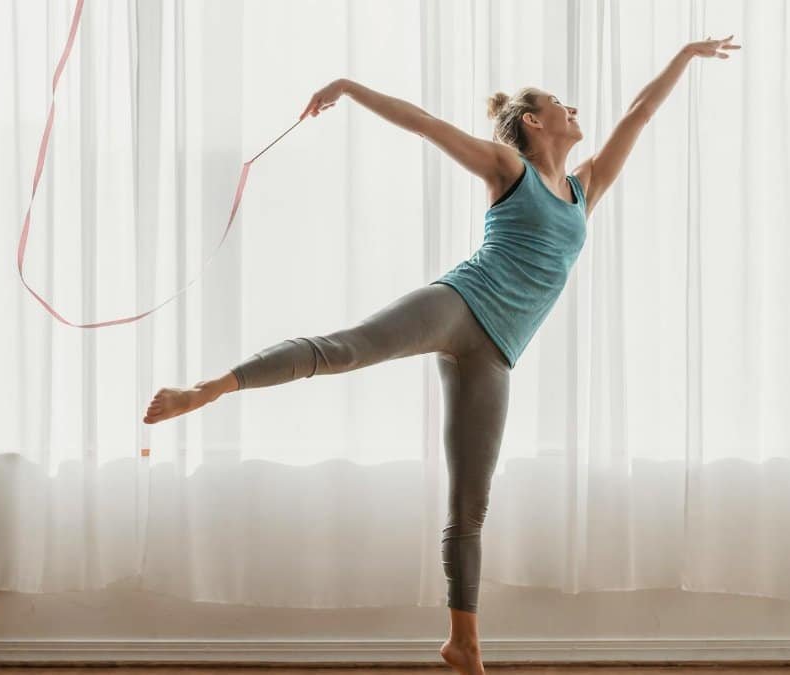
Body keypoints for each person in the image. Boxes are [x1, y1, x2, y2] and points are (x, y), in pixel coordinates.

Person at [144, 34, 739, 675]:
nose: (575, 111)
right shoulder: (508, 170)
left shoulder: (584, 187)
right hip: (457, 304)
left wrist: (683, 55)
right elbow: (425, 125)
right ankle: (206, 389)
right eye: (560, 105)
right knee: (345, 349)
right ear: (534, 122)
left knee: (470, 505)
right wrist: (347, 86)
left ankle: (465, 645)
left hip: (497, 353)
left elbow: (638, 115)